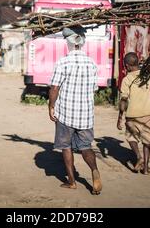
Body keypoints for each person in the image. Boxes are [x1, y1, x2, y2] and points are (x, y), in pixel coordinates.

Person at [48, 26, 102, 195]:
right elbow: (93, 89)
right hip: (85, 115)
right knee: (86, 147)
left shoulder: (63, 62)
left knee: (66, 147)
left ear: (68, 44)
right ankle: (94, 170)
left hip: (66, 113)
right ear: (82, 43)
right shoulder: (92, 63)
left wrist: (51, 106)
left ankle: (72, 182)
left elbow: (54, 88)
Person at [117, 52, 150, 175]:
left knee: (131, 137)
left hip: (133, 115)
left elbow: (123, 99)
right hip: (149, 113)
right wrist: (146, 65)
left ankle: (138, 156)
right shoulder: (147, 74)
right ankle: (145, 168)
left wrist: (120, 117)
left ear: (127, 66)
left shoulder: (126, 79)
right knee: (147, 141)